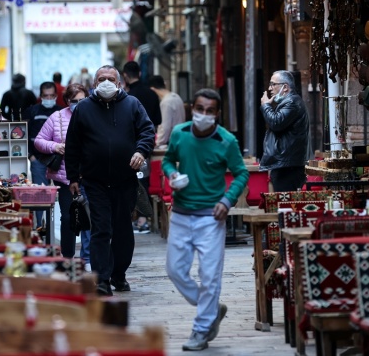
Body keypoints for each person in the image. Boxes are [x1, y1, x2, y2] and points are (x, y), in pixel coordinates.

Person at [162, 88, 248, 351]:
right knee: (175, 270)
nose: (204, 115)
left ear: (217, 114)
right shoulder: (180, 134)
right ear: (192, 109)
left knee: (210, 276)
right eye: (200, 109)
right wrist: (172, 176)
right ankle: (211, 309)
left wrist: (227, 200)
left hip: (211, 217)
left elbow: (241, 174)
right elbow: (168, 160)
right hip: (181, 213)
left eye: (210, 111)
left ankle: (201, 330)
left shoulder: (226, 142)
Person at [64, 65, 155, 296]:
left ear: (119, 83)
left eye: (110, 79)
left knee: (123, 230)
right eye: (101, 79)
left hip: (125, 181)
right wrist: (73, 176)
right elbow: (72, 144)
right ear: (95, 84)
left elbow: (147, 131)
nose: (106, 82)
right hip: (95, 182)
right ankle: (102, 279)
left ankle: (119, 274)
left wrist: (140, 151)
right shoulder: (83, 108)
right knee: (101, 229)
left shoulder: (132, 105)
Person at [35, 83, 91, 271]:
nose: (77, 104)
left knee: (89, 217)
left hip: (90, 174)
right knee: (68, 218)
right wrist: (55, 146)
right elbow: (39, 141)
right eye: (73, 101)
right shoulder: (57, 117)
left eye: (81, 101)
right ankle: (67, 257)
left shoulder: (94, 115)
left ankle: (88, 258)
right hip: (65, 176)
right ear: (67, 101)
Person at [122, 61, 162, 233]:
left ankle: (134, 218)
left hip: (129, 144)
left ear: (125, 76)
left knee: (129, 179)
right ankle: (143, 219)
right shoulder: (151, 94)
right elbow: (157, 122)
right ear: (140, 72)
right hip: (146, 144)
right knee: (143, 178)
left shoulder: (127, 97)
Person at [259, 70, 310, 192]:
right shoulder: (288, 102)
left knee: (286, 205)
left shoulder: (292, 102)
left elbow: (276, 123)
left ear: (285, 87)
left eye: (273, 84)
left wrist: (265, 105)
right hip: (285, 164)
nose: (270, 88)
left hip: (288, 166)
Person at [22, 82, 60, 235]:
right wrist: (30, 155)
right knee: (39, 195)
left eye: (52, 96)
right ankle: (40, 228)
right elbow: (24, 133)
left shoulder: (60, 112)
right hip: (38, 159)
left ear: (56, 96)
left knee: (62, 193)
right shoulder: (33, 111)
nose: (49, 98)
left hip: (59, 160)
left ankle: (57, 230)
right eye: (46, 96)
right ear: (40, 96)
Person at [148, 75, 186, 149]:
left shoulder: (166, 102)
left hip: (171, 143)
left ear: (152, 89)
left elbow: (165, 127)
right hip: (180, 140)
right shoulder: (177, 97)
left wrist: (157, 144)